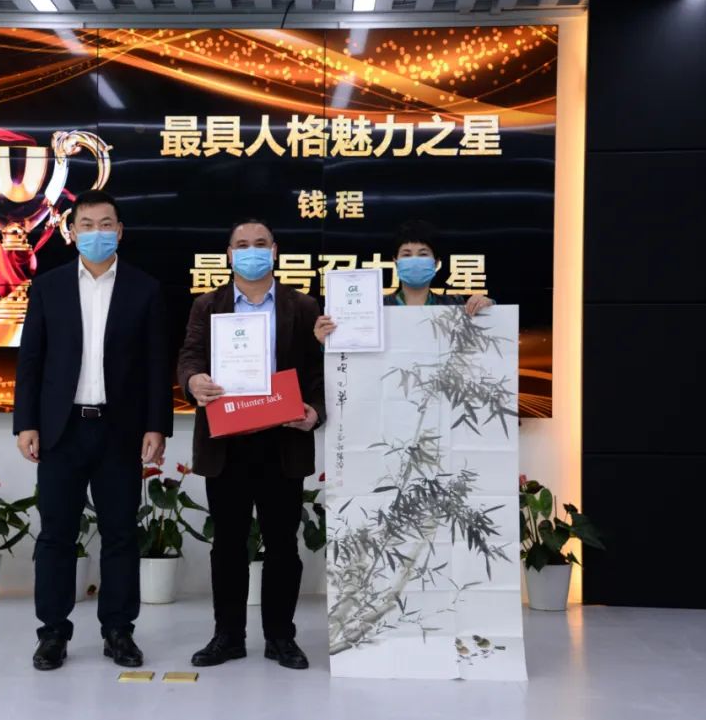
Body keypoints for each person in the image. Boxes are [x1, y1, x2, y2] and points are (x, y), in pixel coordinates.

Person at [14, 189, 173, 672]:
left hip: (120, 430)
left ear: (120, 232)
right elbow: (31, 360)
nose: (97, 233)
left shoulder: (145, 289)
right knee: (56, 535)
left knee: (121, 533)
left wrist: (157, 426)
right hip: (61, 430)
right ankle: (52, 633)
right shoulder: (49, 287)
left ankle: (118, 631)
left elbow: (156, 364)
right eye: (87, 224)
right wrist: (26, 422)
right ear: (72, 232)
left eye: (106, 224)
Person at [177, 219, 324, 671]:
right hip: (228, 444)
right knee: (228, 545)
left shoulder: (303, 306)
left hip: (283, 441)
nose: (251, 251)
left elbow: (319, 373)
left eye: (260, 244)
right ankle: (228, 636)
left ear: (275, 251)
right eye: (242, 245)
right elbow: (189, 356)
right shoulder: (207, 305)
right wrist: (193, 381)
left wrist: (315, 412)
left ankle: (281, 637)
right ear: (229, 254)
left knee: (282, 546)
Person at [313, 220, 494, 342]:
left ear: (436, 262)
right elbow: (351, 356)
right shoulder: (374, 308)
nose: (414, 260)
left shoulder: (454, 305)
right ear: (396, 262)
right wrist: (328, 340)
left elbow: (481, 343)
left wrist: (487, 308)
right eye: (406, 255)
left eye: (423, 254)